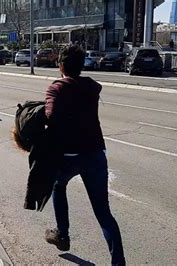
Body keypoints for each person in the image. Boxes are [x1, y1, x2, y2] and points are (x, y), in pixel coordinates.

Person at [43, 44, 126, 265]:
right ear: (81, 66)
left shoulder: (57, 88)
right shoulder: (91, 87)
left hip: (69, 157)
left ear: (60, 65)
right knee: (104, 214)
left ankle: (62, 234)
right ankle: (118, 263)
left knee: (58, 186)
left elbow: (50, 118)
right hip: (95, 155)